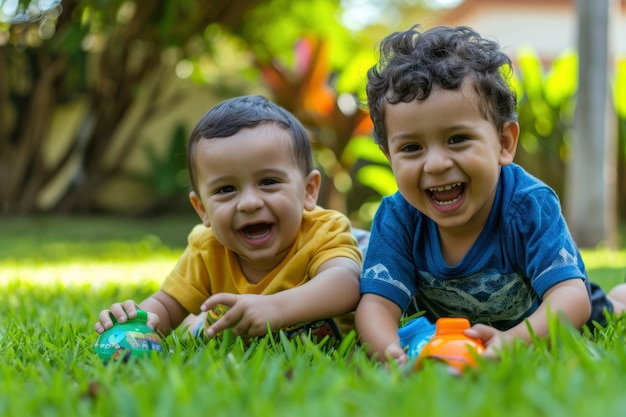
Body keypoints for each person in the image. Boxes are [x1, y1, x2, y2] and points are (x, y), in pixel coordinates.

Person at [354, 25, 626, 364]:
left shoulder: (528, 204)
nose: (436, 164)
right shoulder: (398, 217)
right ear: (388, 157)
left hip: (550, 312)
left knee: (610, 309)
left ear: (504, 143)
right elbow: (376, 304)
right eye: (411, 147)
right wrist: (390, 351)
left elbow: (571, 299)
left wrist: (513, 341)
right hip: (462, 334)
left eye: (457, 139)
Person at [95, 95, 362, 342]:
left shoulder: (323, 232)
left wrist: (276, 308)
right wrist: (135, 321)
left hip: (359, 251)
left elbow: (347, 283)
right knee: (202, 327)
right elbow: (167, 305)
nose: (248, 203)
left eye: (268, 182)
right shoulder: (207, 249)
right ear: (202, 209)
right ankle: (199, 319)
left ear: (308, 191)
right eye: (226, 189)